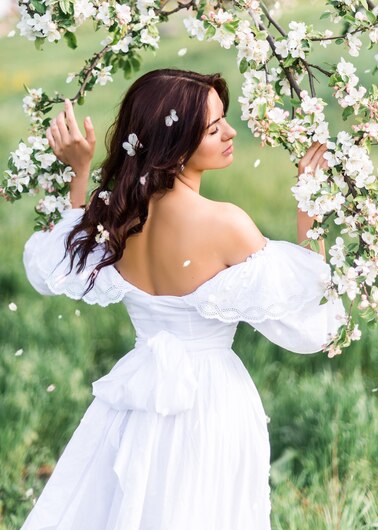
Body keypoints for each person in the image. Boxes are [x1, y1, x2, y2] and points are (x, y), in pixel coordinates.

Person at [21, 68, 345, 530]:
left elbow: (55, 257)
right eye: (214, 129)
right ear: (175, 144)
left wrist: (80, 172)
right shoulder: (224, 224)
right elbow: (319, 322)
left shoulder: (116, 215)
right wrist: (311, 210)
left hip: (136, 398)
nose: (232, 132)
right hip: (209, 402)